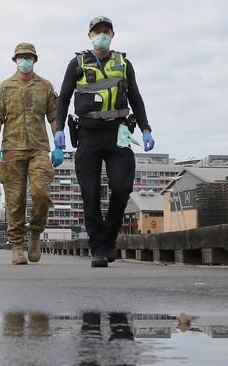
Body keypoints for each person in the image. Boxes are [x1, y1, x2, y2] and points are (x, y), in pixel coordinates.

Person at [56, 16, 155, 268]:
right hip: (88, 133)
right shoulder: (77, 64)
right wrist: (58, 132)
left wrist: (145, 128)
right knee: (91, 192)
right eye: (97, 31)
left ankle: (109, 238)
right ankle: (98, 248)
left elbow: (136, 97)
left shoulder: (124, 63)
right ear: (89, 35)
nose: (101, 35)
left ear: (113, 34)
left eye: (106, 31)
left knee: (122, 188)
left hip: (118, 132)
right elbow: (64, 98)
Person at [0, 43, 62, 265]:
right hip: (12, 149)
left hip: (39, 148)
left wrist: (59, 141)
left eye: (28, 57)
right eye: (21, 57)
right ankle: (17, 246)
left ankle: (36, 234)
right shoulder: (4, 87)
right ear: (15, 60)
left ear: (35, 60)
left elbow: (53, 115)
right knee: (15, 200)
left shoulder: (46, 87)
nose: (25, 60)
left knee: (41, 192)